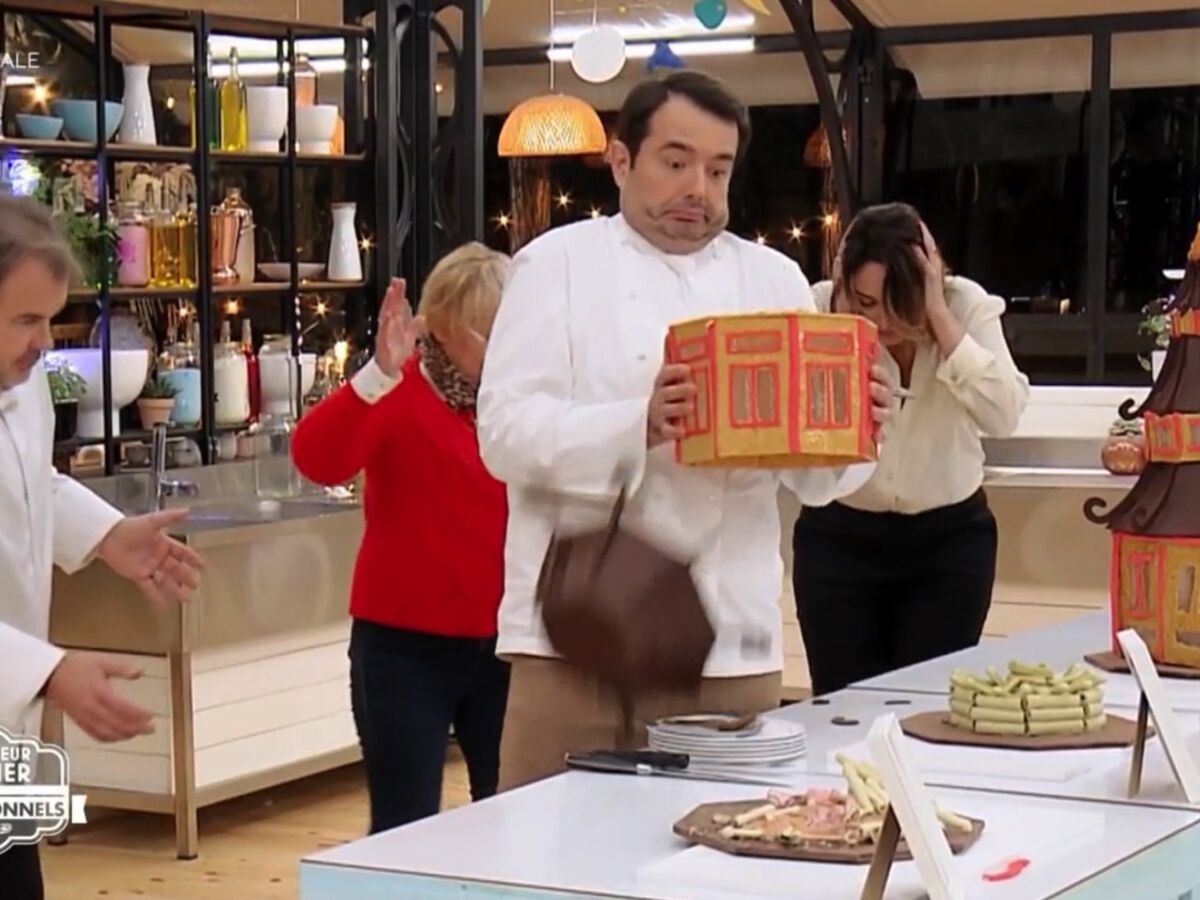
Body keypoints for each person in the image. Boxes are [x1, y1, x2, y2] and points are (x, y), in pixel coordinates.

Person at [476, 70, 891, 792]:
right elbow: (504, 434)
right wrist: (633, 424)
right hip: (576, 645)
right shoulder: (556, 265)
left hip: (731, 643)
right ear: (619, 161)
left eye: (718, 168)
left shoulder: (776, 280)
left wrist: (858, 426)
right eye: (675, 162)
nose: (698, 187)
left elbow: (817, 484)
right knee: (547, 860)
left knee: (726, 862)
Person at [0, 195, 203, 899]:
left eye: (51, 319)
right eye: (26, 320)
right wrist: (49, 670)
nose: (44, 343)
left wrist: (107, 533)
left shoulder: (23, 390)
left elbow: (34, 484)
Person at [291, 242, 512, 833]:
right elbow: (316, 459)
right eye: (487, 333)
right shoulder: (398, 389)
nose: (504, 347)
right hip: (403, 650)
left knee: (515, 814)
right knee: (404, 823)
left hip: (507, 644)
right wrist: (375, 377)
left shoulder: (519, 403)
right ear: (439, 328)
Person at [791, 202, 1031, 696]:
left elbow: (1003, 413)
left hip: (948, 545)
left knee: (927, 710)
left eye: (897, 304)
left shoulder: (964, 305)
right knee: (842, 708)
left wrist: (941, 319)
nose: (880, 322)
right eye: (864, 302)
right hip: (839, 541)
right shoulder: (818, 308)